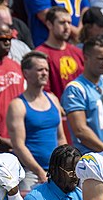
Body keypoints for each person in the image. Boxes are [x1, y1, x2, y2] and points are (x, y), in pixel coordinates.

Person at [6, 51, 65, 187]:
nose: (44, 73)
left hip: (55, 171)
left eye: (46, 69)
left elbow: (61, 138)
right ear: (26, 73)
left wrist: (63, 165)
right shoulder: (18, 105)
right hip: (30, 173)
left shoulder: (53, 99)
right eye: (39, 69)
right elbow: (19, 145)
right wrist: (39, 172)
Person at [62, 37, 103, 154]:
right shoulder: (75, 89)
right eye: (100, 58)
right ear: (85, 58)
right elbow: (80, 130)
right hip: (90, 158)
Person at [36, 7, 84, 98]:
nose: (67, 27)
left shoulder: (79, 53)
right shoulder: (40, 55)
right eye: (62, 23)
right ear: (49, 25)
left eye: (69, 23)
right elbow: (43, 90)